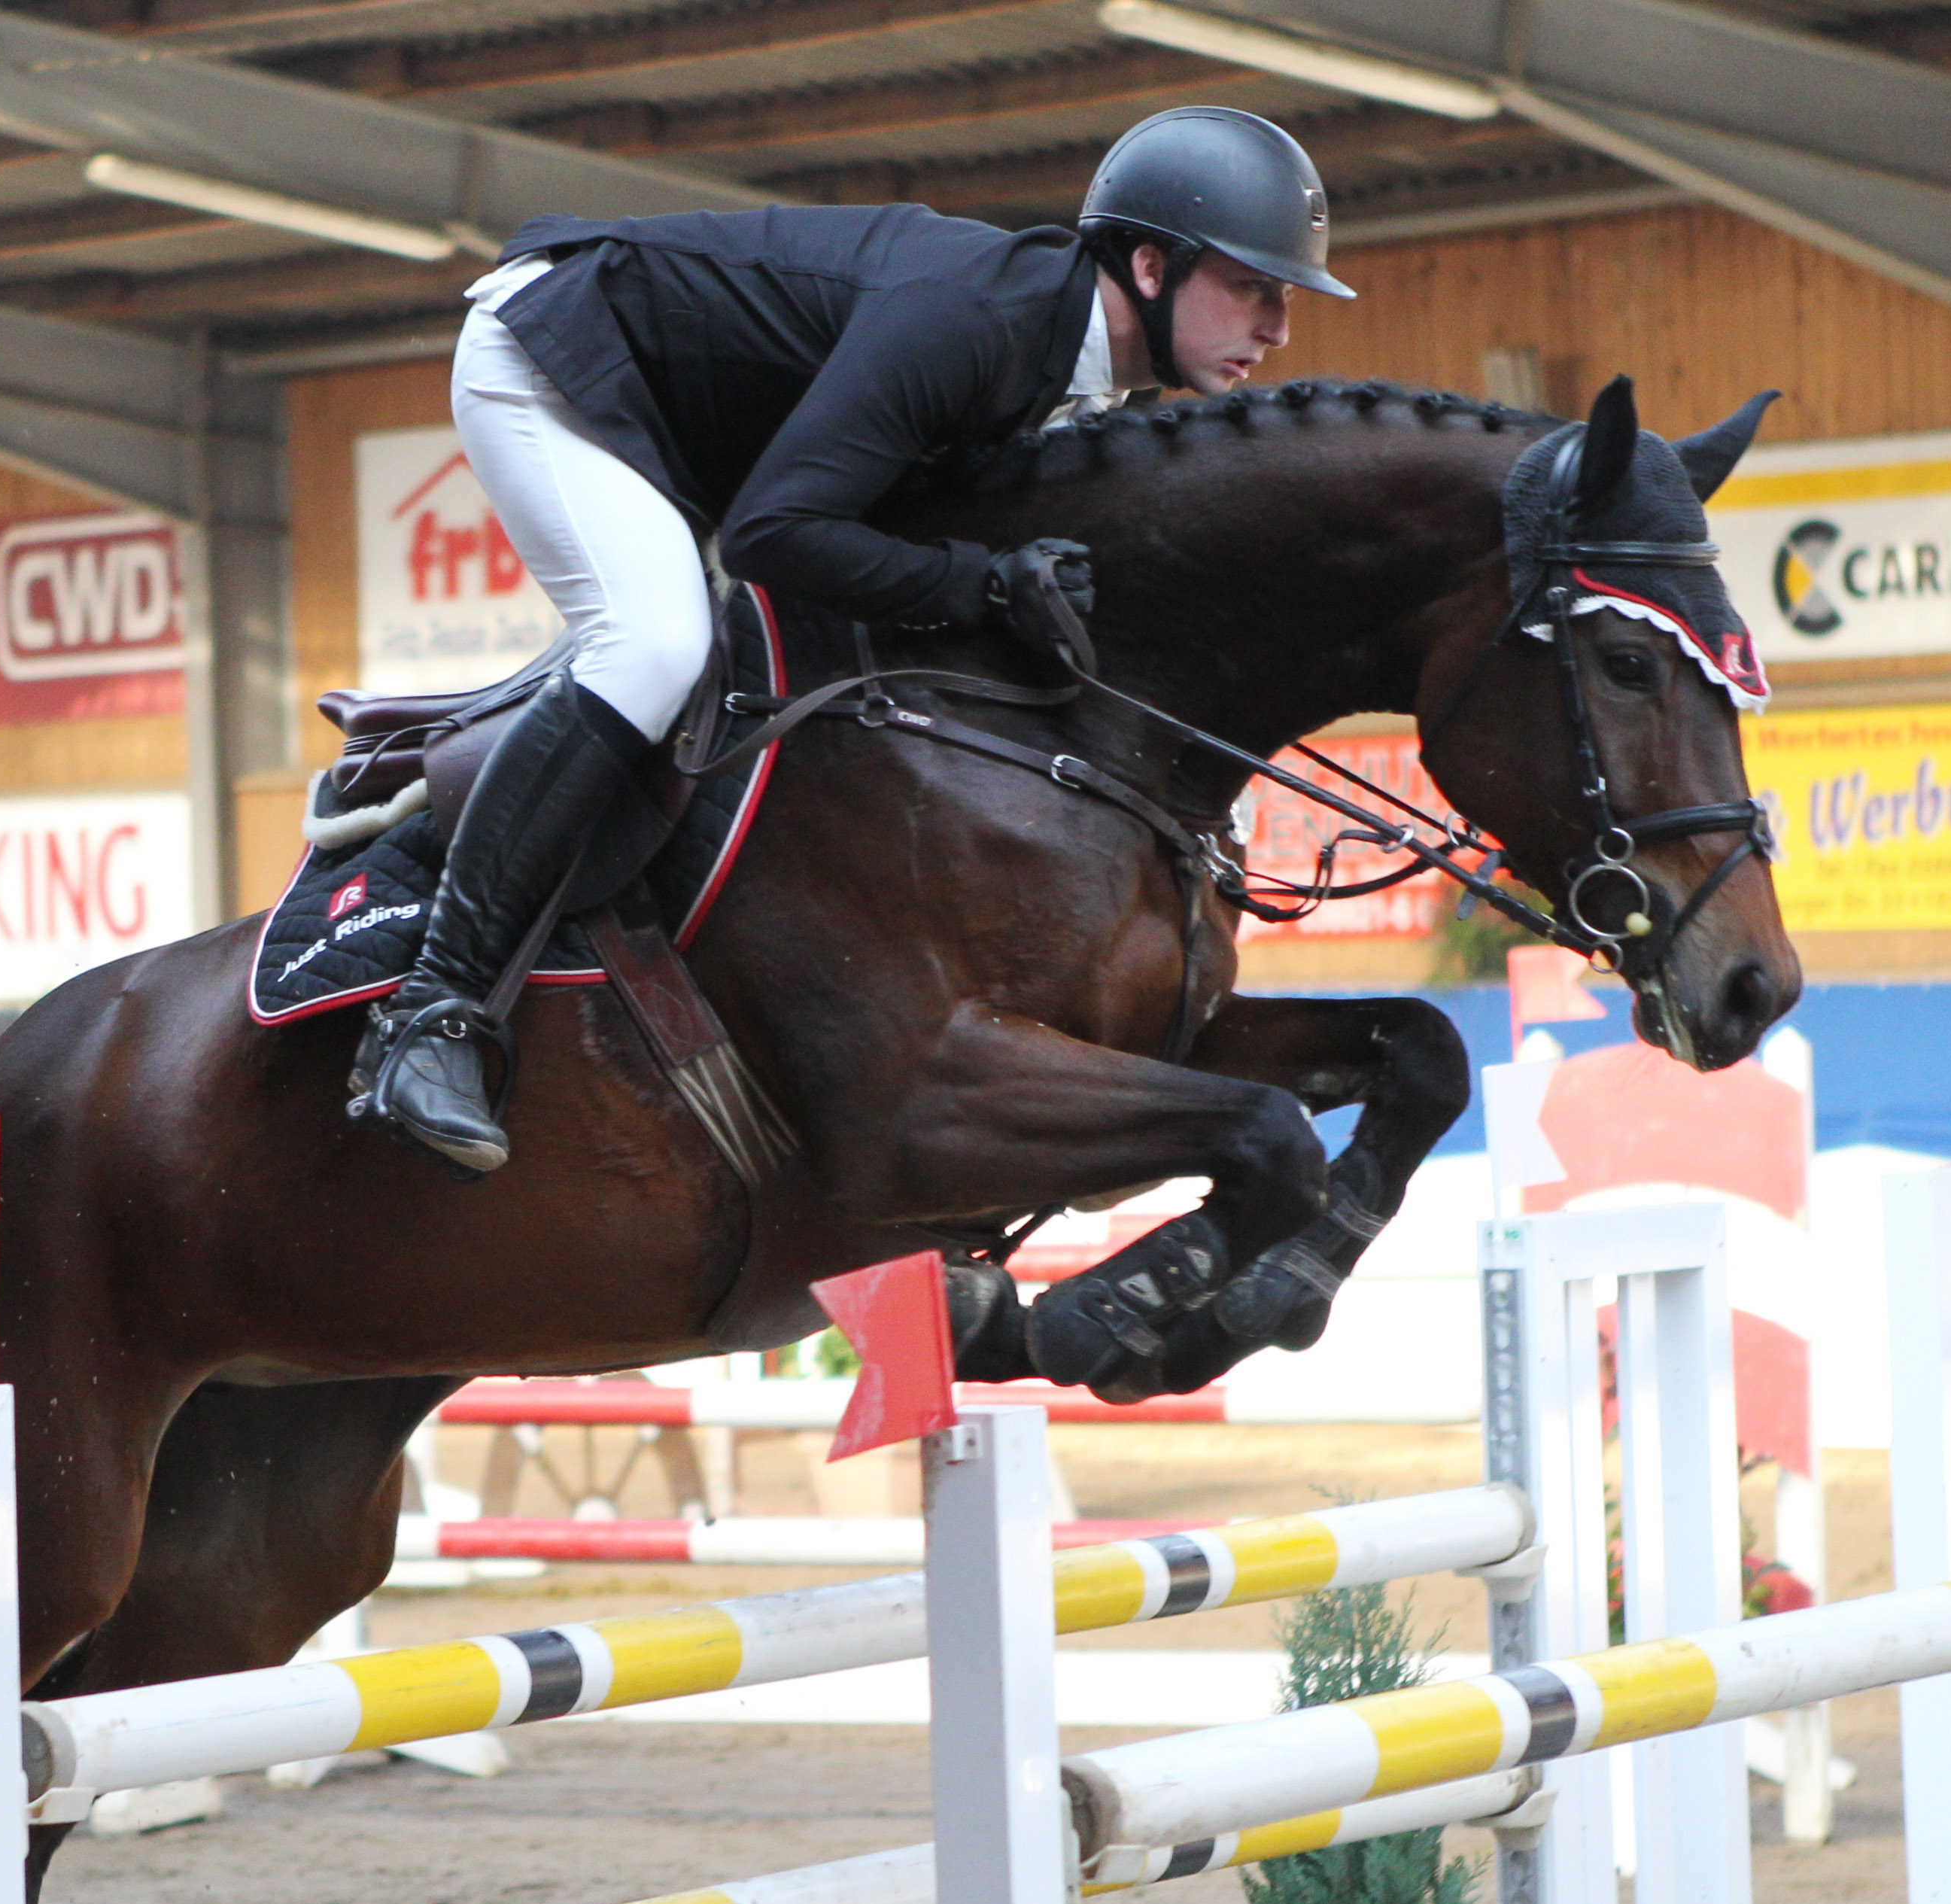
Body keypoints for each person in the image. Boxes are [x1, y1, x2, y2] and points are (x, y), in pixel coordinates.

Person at [350, 105, 1354, 1173]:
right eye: (1255, 287)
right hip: (554, 362)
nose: (1280, 326)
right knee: (652, 645)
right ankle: (432, 1013)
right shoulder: (974, 323)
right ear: (1150, 267)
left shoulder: (1077, 375)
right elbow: (775, 535)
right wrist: (976, 585)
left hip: (698, 422)